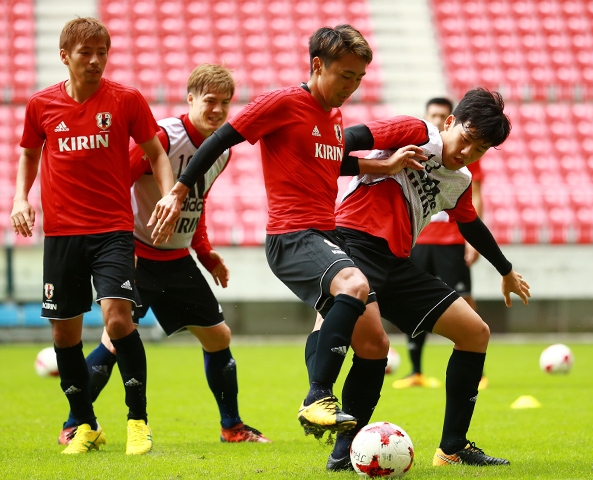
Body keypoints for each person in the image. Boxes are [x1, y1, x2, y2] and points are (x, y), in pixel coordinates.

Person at [147, 24, 429, 441]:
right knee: (353, 284)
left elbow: (330, 160)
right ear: (317, 65)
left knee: (375, 344)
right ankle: (318, 397)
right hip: (293, 235)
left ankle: (343, 452)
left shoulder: (333, 116)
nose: (351, 86)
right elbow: (220, 140)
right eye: (345, 75)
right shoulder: (282, 102)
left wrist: (383, 166)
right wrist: (179, 190)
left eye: (358, 78)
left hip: (326, 235)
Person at [308, 88, 530, 470]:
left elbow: (470, 224)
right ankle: (340, 447)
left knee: (475, 333)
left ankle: (452, 448)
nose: (467, 152)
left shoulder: (459, 180)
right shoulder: (415, 131)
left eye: (479, 149)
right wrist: (383, 165)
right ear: (450, 122)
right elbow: (338, 148)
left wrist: (506, 270)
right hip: (352, 243)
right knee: (373, 345)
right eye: (466, 139)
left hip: (396, 263)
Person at [56, 64, 270, 446]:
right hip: (137, 253)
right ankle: (75, 423)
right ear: (190, 99)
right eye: (210, 101)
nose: (218, 110)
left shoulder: (222, 151)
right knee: (114, 340)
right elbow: (115, 185)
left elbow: (195, 203)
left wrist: (205, 252)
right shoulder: (164, 137)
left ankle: (232, 427)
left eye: (225, 103)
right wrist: (120, 245)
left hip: (176, 259)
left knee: (218, 336)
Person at [10, 17, 181, 455]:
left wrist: (169, 196)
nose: (95, 60)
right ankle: (86, 424)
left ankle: (138, 421)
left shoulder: (126, 99)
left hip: (113, 230)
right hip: (62, 234)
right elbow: (28, 154)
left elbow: (156, 153)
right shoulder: (40, 105)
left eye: (101, 52)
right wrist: (20, 199)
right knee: (64, 336)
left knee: (118, 319)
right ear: (64, 56)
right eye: (85, 53)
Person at [393, 97, 487, 390]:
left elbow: (475, 196)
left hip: (451, 241)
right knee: (411, 303)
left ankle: (477, 369)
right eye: (432, 114)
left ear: (451, 121)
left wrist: (473, 240)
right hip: (418, 240)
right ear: (426, 116)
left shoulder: (465, 154)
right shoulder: (415, 148)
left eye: (442, 115)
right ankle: (415, 371)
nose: (436, 119)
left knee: (464, 300)